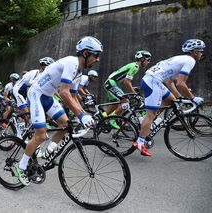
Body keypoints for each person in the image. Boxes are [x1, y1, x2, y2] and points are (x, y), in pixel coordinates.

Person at [12, 36, 103, 186]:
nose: (98, 59)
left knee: (65, 125)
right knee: (41, 136)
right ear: (86, 53)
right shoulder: (72, 63)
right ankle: (20, 167)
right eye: (96, 55)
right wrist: (81, 115)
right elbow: (64, 93)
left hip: (47, 97)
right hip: (36, 94)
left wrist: (84, 114)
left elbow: (73, 96)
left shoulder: (79, 72)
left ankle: (49, 152)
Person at [134, 39, 206, 157]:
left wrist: (180, 97)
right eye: (200, 51)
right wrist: (192, 98)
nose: (201, 53)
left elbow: (170, 82)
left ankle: (146, 120)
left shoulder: (180, 59)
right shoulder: (190, 60)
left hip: (154, 80)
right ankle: (140, 141)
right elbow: (181, 84)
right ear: (194, 52)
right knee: (151, 115)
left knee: (171, 100)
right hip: (152, 82)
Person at [103, 50, 152, 128]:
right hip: (111, 84)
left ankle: (102, 117)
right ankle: (112, 119)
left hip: (109, 83)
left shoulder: (133, 65)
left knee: (116, 104)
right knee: (125, 101)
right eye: (148, 60)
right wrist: (134, 94)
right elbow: (126, 82)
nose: (148, 62)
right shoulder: (135, 67)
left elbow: (127, 82)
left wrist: (132, 88)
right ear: (142, 59)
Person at [12, 57, 55, 137]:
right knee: (27, 113)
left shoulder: (44, 75)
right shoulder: (34, 73)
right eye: (49, 67)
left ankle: (30, 129)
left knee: (33, 115)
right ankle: (19, 130)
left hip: (27, 94)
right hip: (17, 91)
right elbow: (32, 83)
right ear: (43, 66)